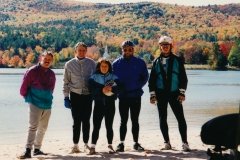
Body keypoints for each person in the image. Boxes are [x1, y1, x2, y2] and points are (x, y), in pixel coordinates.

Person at [148, 36, 190, 151]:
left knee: (180, 118)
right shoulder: (156, 62)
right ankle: (167, 143)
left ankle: (185, 143)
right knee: (162, 118)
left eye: (167, 45)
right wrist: (152, 95)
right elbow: (151, 81)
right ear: (160, 47)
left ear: (171, 46)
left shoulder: (177, 60)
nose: (165, 47)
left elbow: (183, 78)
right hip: (161, 94)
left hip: (175, 93)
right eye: (163, 45)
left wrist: (182, 92)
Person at [112, 40, 149, 152]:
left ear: (133, 50)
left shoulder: (140, 63)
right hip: (123, 96)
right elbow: (111, 79)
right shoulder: (116, 64)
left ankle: (136, 143)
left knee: (135, 120)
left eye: (129, 50)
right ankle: (121, 143)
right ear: (122, 50)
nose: (127, 52)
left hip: (136, 95)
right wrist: (117, 89)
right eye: (125, 50)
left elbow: (145, 77)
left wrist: (137, 86)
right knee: (123, 121)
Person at [18, 51, 56, 159]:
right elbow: (23, 88)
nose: (47, 61)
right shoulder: (32, 71)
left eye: (50, 59)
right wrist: (28, 98)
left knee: (43, 128)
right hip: (34, 102)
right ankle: (27, 150)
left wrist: (47, 97)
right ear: (41, 58)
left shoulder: (52, 74)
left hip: (47, 104)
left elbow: (51, 90)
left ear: (51, 61)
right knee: (33, 126)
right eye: (46, 58)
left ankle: (37, 149)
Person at [63, 42, 96, 153]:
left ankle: (86, 144)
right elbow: (66, 82)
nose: (81, 52)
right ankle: (75, 144)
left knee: (86, 121)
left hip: (88, 95)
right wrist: (66, 97)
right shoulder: (69, 64)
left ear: (86, 52)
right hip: (75, 95)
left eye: (83, 50)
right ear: (75, 51)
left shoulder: (92, 64)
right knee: (76, 121)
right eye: (79, 50)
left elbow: (97, 79)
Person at [87, 59, 124, 155]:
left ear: (109, 67)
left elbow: (121, 89)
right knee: (96, 126)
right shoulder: (93, 77)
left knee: (109, 126)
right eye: (102, 66)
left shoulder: (114, 77)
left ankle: (110, 145)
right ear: (99, 67)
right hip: (98, 105)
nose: (104, 68)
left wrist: (112, 88)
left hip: (110, 104)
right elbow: (91, 90)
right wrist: (101, 90)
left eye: (106, 66)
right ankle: (93, 146)